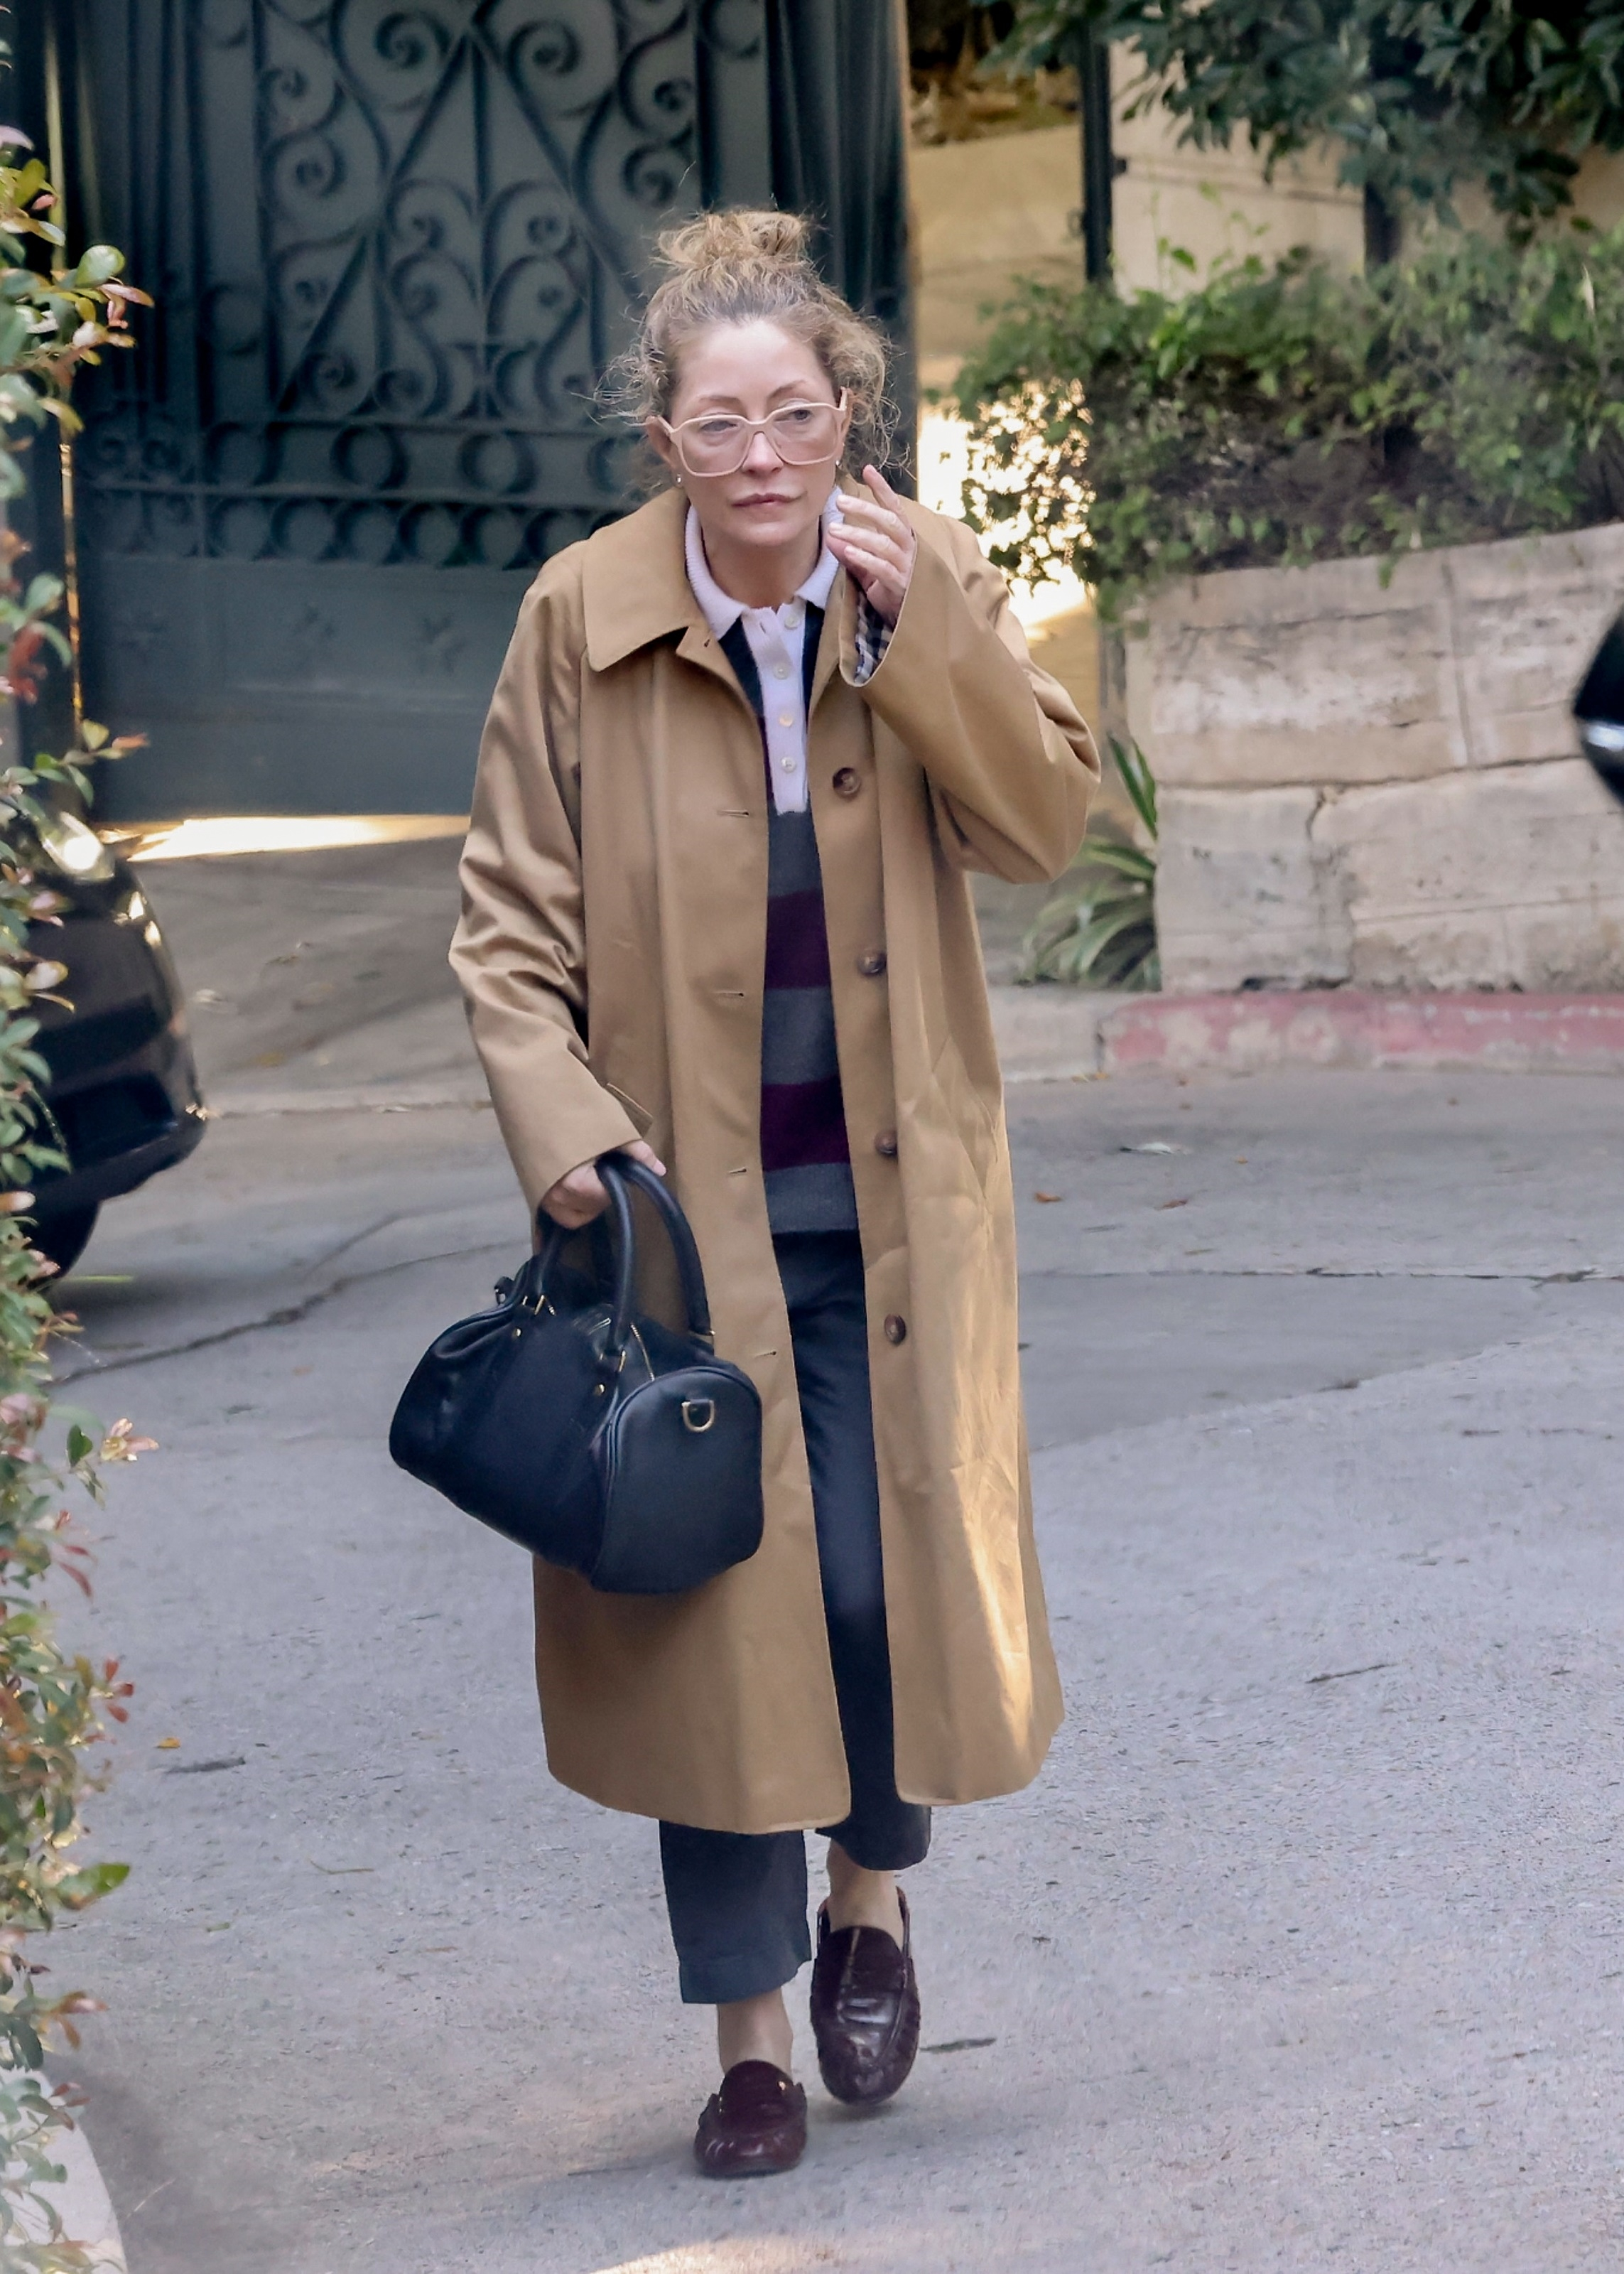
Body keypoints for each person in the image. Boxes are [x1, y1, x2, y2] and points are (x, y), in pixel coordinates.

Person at [450, 208, 1099, 2178]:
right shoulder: (581, 616)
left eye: (793, 413)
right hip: (672, 1229)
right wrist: (563, 1125)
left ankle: (871, 1902)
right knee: (704, 1623)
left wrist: (933, 644)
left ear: (847, 422)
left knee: (866, 1583)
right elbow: (502, 931)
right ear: (661, 435)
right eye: (718, 419)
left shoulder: (919, 581)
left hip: (889, 1208)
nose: (759, 452)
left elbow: (1045, 823)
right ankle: (744, 2047)